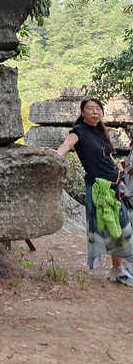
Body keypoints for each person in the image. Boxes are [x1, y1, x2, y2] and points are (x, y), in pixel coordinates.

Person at [55, 97, 133, 287]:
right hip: (100, 188)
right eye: (90, 109)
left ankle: (118, 268)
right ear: (82, 112)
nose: (95, 112)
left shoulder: (100, 132)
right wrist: (56, 155)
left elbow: (106, 158)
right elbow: (67, 144)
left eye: (98, 109)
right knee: (117, 227)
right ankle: (117, 270)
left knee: (119, 226)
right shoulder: (79, 131)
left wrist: (120, 173)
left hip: (114, 185)